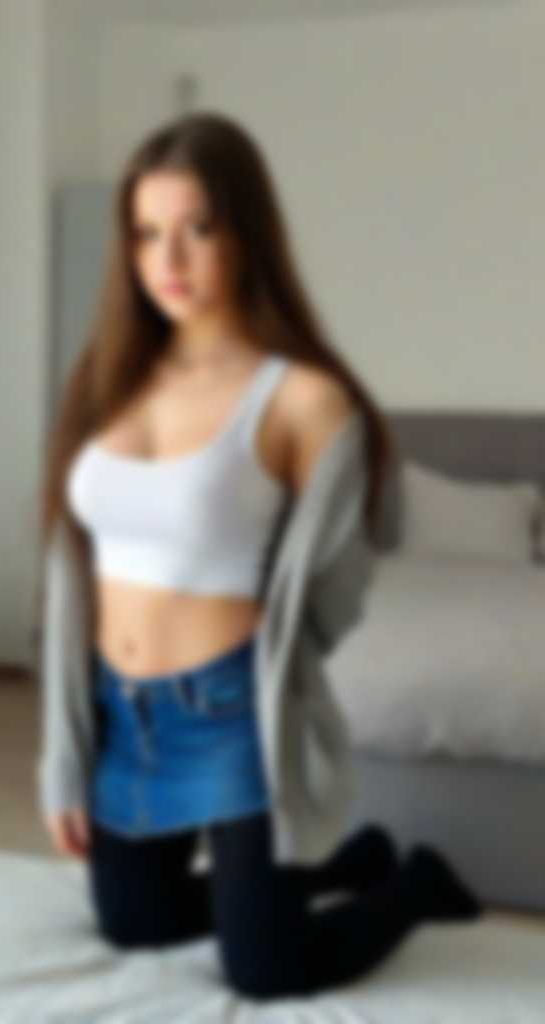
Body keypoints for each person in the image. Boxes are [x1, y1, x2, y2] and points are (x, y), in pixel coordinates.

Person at [38, 111, 483, 1000]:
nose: (169, 259)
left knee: (267, 971)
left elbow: (351, 562)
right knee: (133, 921)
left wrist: (281, 661)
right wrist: (64, 757)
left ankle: (414, 887)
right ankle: (340, 867)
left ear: (246, 235)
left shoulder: (301, 399)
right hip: (122, 713)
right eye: (147, 234)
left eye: (198, 229)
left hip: (231, 714)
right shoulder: (106, 377)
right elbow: (68, 572)